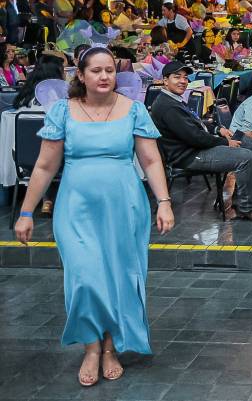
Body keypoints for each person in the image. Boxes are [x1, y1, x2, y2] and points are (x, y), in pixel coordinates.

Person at [13, 46, 173, 387]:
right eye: (96, 71)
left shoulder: (133, 109)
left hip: (125, 207)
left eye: (109, 70)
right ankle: (91, 347)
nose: (104, 76)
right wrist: (26, 211)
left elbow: (150, 160)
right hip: (75, 209)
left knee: (118, 279)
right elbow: (44, 166)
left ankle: (110, 347)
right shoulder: (63, 111)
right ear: (82, 76)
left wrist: (164, 201)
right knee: (84, 279)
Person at [149, 61, 252, 221]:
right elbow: (195, 137)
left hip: (196, 146)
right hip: (189, 155)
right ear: (165, 80)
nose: (183, 81)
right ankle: (248, 208)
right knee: (245, 157)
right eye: (177, 77)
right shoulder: (168, 106)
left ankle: (241, 201)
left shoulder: (174, 99)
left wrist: (218, 129)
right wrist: (225, 142)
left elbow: (196, 123)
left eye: (185, 78)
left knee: (246, 141)